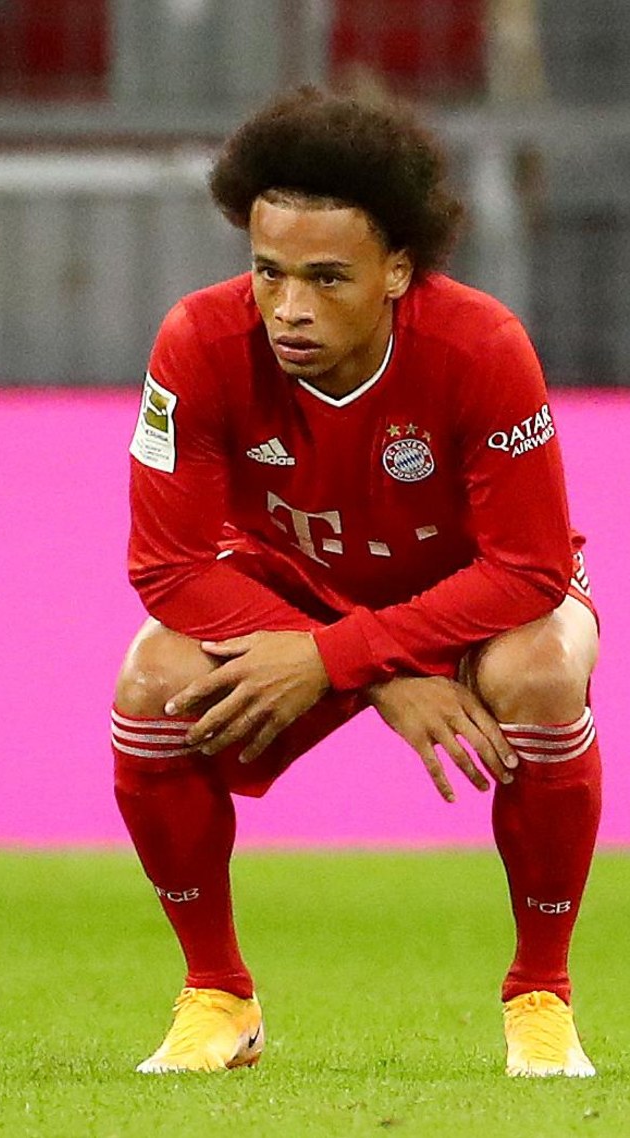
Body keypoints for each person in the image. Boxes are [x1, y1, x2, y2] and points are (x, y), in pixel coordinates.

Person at [112, 87, 601, 1078]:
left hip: (468, 593)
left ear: (398, 272)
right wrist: (370, 670)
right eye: (268, 271)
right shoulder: (198, 344)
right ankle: (216, 994)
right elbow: (165, 564)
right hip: (291, 591)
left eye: (327, 277)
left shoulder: (480, 346)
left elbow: (531, 566)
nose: (289, 306)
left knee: (545, 672)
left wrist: (342, 655)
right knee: (150, 686)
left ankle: (540, 997)